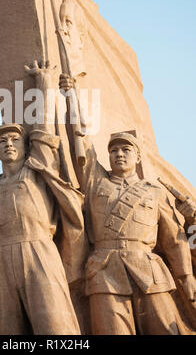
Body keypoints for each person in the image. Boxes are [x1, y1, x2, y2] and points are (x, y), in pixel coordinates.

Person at [59, 73, 196, 335]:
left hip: (149, 273)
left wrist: (186, 277)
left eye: (125, 150)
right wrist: (71, 97)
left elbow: (174, 240)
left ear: (137, 156)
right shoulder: (96, 182)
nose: (119, 154)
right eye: (113, 151)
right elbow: (81, 140)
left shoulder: (155, 191)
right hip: (104, 274)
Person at [0, 61, 84, 335]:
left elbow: (43, 130)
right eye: (2, 141)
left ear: (25, 146)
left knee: (55, 326)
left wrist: (44, 84)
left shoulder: (36, 170)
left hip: (38, 249)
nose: (8, 144)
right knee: (4, 330)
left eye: (13, 139)